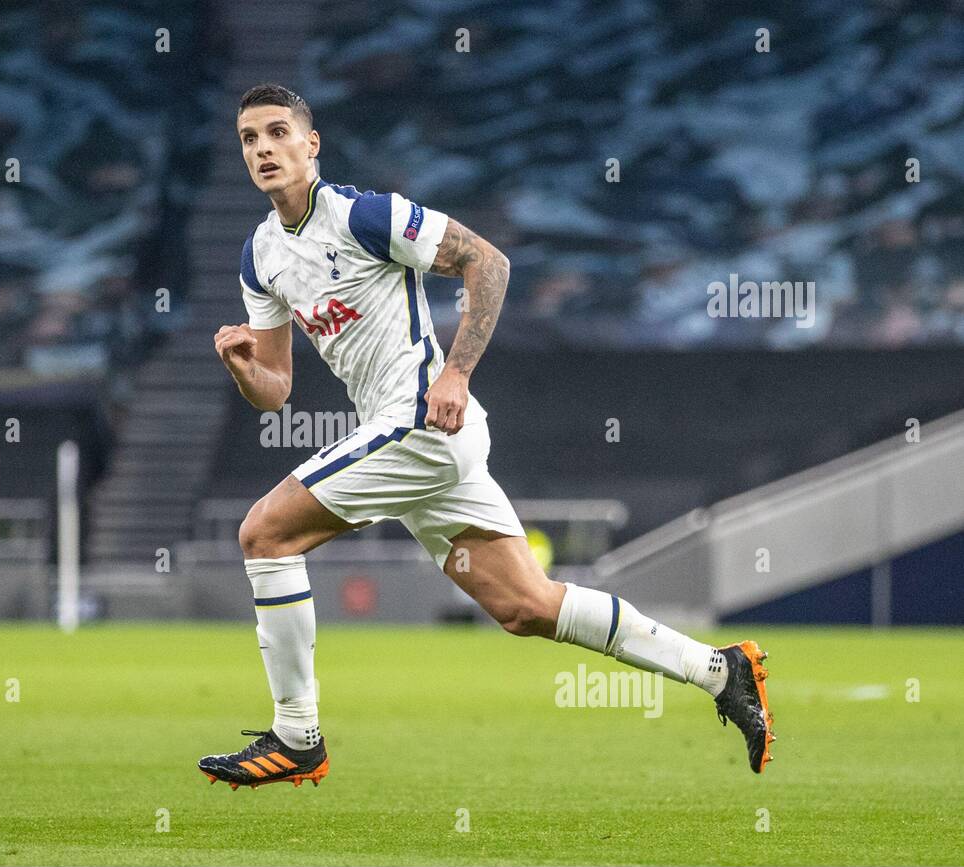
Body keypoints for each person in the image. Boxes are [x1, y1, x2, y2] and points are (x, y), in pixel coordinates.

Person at [199, 84, 774, 789]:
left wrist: (457, 373)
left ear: (309, 144)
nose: (262, 148)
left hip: (424, 422)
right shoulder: (261, 256)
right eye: (249, 138)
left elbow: (488, 263)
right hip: (411, 437)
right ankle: (720, 671)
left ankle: (297, 735)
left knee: (264, 534)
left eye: (277, 132)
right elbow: (277, 392)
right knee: (526, 607)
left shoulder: (363, 216)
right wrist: (242, 366)